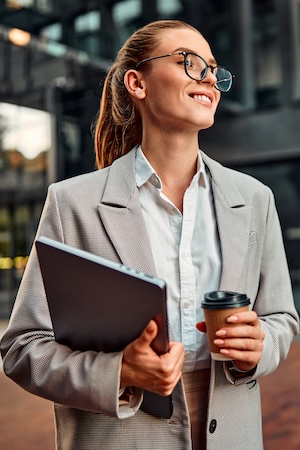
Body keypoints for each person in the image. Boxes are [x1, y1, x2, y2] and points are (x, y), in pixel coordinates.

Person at [1, 19, 299, 450]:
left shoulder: (255, 199)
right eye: (189, 62)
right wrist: (120, 372)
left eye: (214, 68)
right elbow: (22, 348)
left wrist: (261, 346)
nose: (210, 77)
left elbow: (282, 319)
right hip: (120, 433)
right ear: (137, 83)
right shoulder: (73, 203)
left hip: (233, 432)